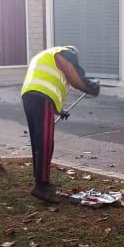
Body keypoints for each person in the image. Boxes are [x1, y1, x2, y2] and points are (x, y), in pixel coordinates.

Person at [21, 46, 100, 203]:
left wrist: (59, 111)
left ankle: (41, 181)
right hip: (42, 98)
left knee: (38, 142)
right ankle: (41, 187)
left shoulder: (45, 57)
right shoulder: (64, 53)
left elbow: (47, 83)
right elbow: (76, 78)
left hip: (29, 97)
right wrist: (91, 87)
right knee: (45, 143)